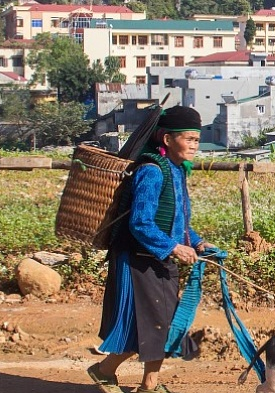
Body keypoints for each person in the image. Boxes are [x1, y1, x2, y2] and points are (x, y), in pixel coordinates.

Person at [87, 106, 215, 393]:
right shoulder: (152, 171)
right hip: (137, 261)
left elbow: (176, 222)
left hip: (158, 260)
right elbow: (141, 223)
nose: (194, 145)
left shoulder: (177, 171)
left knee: (161, 325)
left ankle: (141, 381)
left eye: (197, 139)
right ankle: (112, 372)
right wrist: (174, 247)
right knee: (152, 325)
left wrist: (196, 242)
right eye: (188, 139)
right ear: (167, 139)